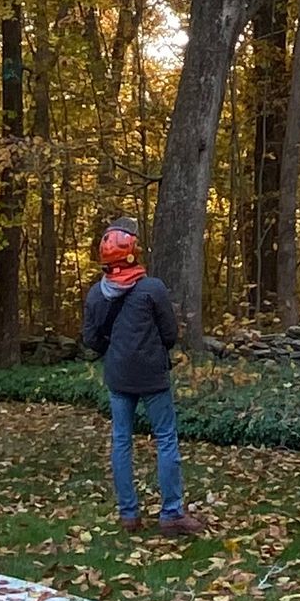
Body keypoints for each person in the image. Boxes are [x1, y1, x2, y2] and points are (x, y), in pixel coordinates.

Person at [81, 219, 204, 537]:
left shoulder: (96, 294)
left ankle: (129, 514)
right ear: (133, 253)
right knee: (165, 439)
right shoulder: (153, 289)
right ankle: (172, 513)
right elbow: (170, 334)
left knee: (121, 441)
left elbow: (92, 341)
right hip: (152, 376)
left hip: (118, 376)